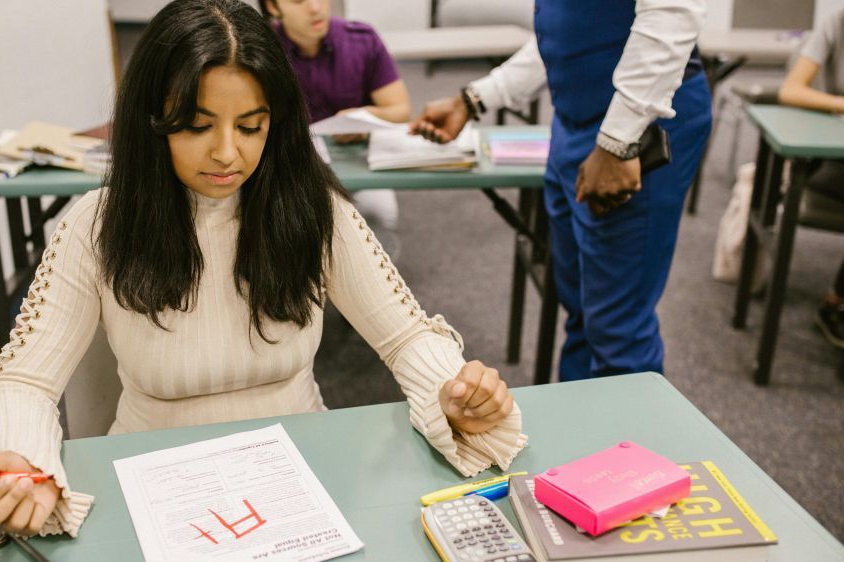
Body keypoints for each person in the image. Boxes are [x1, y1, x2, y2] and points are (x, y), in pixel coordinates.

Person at [0, 0, 524, 538]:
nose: (227, 154)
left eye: (251, 127)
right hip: (153, 486)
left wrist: (453, 392)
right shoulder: (97, 225)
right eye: (197, 126)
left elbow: (405, 336)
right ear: (153, 122)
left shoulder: (314, 208)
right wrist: (24, 464)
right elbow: (24, 383)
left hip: (301, 475)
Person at [411, 0, 712, 381]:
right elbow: (568, 28)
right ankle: (583, 435)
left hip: (635, 129)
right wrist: (476, 98)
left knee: (618, 327)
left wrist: (618, 141)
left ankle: (627, 437)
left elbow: (672, 12)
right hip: (575, 124)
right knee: (582, 308)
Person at [260, 0, 409, 258]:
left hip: (355, 165)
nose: (315, 7)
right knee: (279, 225)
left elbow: (400, 110)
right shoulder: (258, 50)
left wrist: (363, 117)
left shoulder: (362, 40)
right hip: (287, 168)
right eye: (298, 0)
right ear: (273, 6)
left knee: (378, 215)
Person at [777, 8, 844, 349]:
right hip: (833, 163)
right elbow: (791, 90)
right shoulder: (838, 21)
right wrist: (839, 104)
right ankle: (837, 302)